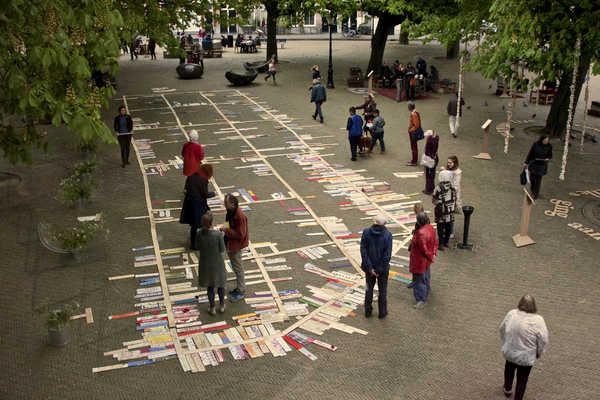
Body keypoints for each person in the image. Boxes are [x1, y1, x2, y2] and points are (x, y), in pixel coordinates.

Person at [499, 295, 549, 400]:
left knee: (509, 371)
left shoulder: (511, 314)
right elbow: (543, 339)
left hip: (510, 353)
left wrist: (505, 343)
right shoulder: (538, 320)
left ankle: (507, 390)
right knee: (522, 379)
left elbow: (502, 328)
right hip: (526, 358)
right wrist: (539, 352)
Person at [360, 214, 393, 319]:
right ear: (384, 223)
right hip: (382, 270)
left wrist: (370, 268)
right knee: (382, 291)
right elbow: (387, 255)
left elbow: (363, 251)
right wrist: (379, 269)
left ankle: (368, 311)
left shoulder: (366, 232)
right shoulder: (387, 235)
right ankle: (382, 313)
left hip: (369, 269)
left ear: (374, 221)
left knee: (368, 289)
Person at [196, 212, 227, 315]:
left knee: (210, 287)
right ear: (212, 222)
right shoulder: (217, 235)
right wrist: (222, 237)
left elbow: (197, 246)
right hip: (217, 263)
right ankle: (222, 305)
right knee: (220, 285)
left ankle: (212, 307)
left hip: (205, 263)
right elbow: (222, 249)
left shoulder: (199, 233)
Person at [220, 194, 249, 302]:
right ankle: (238, 288)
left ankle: (241, 290)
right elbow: (228, 222)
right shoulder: (230, 211)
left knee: (238, 268)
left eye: (226, 203)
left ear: (233, 204)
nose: (224, 205)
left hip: (236, 245)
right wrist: (224, 228)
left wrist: (225, 231)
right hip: (230, 242)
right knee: (236, 266)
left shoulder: (239, 216)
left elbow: (240, 234)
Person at [180, 164, 215, 250]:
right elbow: (205, 194)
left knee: (194, 224)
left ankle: (193, 243)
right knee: (202, 222)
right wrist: (213, 193)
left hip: (189, 203)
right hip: (198, 205)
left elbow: (185, 189)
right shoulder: (203, 180)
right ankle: (202, 241)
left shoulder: (191, 176)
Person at [409, 212, 438, 309]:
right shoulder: (430, 227)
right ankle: (426, 290)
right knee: (426, 275)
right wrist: (433, 254)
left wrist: (430, 256)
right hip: (426, 261)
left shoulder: (421, 233)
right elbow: (435, 242)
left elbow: (424, 249)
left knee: (419, 280)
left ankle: (421, 299)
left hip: (419, 260)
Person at [432, 170, 456, 249]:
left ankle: (441, 244)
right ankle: (446, 242)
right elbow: (455, 197)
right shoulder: (452, 186)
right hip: (450, 210)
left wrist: (439, 202)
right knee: (448, 226)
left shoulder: (438, 187)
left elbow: (434, 200)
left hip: (441, 211)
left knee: (440, 227)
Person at [524, 135, 552, 199]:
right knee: (532, 178)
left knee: (539, 180)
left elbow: (550, 155)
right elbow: (530, 154)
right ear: (541, 140)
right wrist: (526, 162)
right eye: (545, 140)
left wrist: (548, 158)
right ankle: (532, 188)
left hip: (542, 165)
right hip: (534, 163)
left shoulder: (549, 146)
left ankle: (536, 193)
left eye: (547, 141)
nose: (546, 142)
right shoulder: (535, 145)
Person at [406, 203, 425, 289]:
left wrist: (414, 239)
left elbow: (421, 233)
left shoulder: (421, 220)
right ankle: (416, 280)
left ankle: (417, 282)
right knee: (416, 265)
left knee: (416, 265)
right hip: (418, 246)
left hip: (418, 247)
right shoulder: (422, 218)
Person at [446, 155, 462, 237]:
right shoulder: (449, 170)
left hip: (452, 197)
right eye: (448, 162)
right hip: (446, 195)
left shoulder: (457, 173)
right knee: (445, 213)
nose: (449, 164)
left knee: (451, 214)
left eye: (450, 163)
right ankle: (446, 230)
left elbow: (455, 186)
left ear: (454, 163)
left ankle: (451, 232)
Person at [423, 130, 439, 194]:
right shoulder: (436, 139)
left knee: (428, 175)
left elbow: (427, 152)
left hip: (429, 160)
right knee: (432, 175)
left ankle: (428, 189)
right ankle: (432, 188)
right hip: (435, 158)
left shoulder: (429, 141)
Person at [407, 102, 422, 166]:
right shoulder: (415, 113)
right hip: (413, 132)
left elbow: (416, 125)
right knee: (414, 147)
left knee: (413, 147)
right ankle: (414, 160)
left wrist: (410, 130)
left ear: (410, 107)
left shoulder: (414, 114)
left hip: (413, 132)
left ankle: (414, 161)